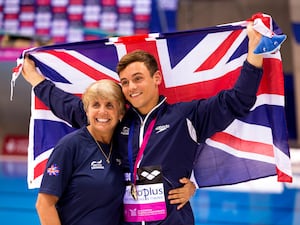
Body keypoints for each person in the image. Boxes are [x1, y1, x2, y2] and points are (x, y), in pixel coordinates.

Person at [22, 23, 263, 225]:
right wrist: (35, 78)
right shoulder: (117, 119)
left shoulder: (185, 116)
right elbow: (72, 108)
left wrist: (255, 53)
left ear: (156, 78)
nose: (131, 87)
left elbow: (237, 102)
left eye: (138, 79)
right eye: (125, 82)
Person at [35, 80, 126, 225]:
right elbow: (44, 204)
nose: (102, 111)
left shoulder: (123, 148)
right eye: (96, 105)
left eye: (110, 105)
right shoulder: (70, 146)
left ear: (120, 113)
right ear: (87, 110)